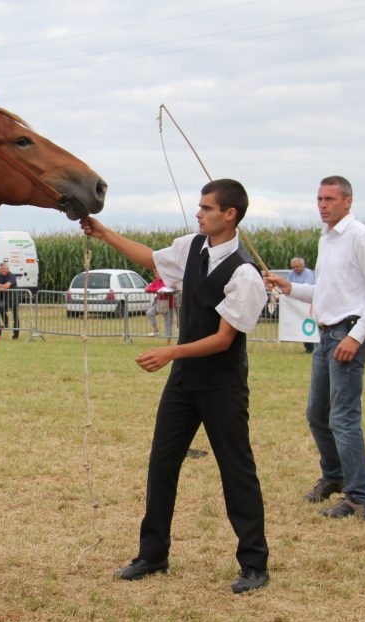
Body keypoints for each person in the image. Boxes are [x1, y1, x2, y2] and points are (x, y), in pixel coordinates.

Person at [81, 178, 270, 594]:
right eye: (199, 206)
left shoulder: (245, 274)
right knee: (162, 464)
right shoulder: (191, 247)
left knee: (236, 470)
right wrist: (104, 232)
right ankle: (153, 555)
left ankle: (254, 563)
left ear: (230, 215)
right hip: (184, 383)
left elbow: (223, 340)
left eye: (207, 208)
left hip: (222, 386)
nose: (198, 214)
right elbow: (151, 259)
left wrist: (170, 352)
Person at [264, 176, 365, 521]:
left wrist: (357, 335)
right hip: (326, 336)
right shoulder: (327, 238)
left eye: (330, 199)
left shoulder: (360, 236)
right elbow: (324, 291)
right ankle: (334, 476)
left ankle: (359, 497)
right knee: (317, 414)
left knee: (343, 418)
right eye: (320, 199)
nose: (323, 205)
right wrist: (290, 288)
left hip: (347, 334)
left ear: (348, 201)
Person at [287, 257, 317, 353]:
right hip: (298, 304)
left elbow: (307, 287)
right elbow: (288, 285)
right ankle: (308, 348)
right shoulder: (291, 274)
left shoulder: (308, 273)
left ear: (303, 266)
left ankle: (316, 347)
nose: (295, 269)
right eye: (293, 267)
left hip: (309, 303)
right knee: (303, 325)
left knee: (312, 325)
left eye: (297, 266)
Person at [0, 262, 20, 339]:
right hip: (5, 299)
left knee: (15, 317)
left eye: (4, 269)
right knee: (0, 307)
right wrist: (2, 287)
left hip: (14, 299)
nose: (2, 270)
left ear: (8, 269)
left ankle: (16, 335)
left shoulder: (12, 276)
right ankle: (6, 322)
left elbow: (7, 286)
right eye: (1, 269)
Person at [144, 274, 175, 339]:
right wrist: (151, 289)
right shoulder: (156, 280)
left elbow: (162, 289)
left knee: (168, 324)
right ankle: (156, 330)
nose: (157, 275)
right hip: (159, 303)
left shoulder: (167, 280)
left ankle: (169, 341)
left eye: (158, 273)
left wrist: (151, 289)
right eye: (156, 273)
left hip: (169, 305)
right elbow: (149, 289)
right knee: (149, 313)